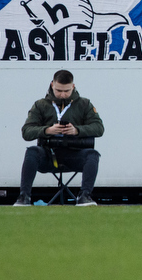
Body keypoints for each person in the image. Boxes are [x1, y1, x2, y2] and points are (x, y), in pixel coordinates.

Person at [16, 69, 103, 207]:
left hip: (74, 153)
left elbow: (99, 128)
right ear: (52, 85)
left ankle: (85, 196)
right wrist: (47, 130)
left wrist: (77, 130)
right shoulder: (41, 105)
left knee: (92, 155)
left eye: (67, 91)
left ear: (73, 87)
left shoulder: (84, 104)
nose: (62, 95)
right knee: (32, 151)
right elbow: (26, 132)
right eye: (59, 90)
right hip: (49, 155)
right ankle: (24, 196)